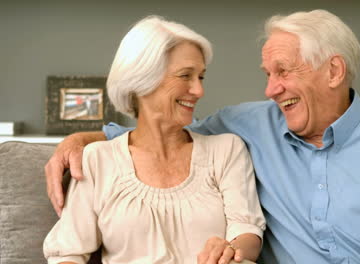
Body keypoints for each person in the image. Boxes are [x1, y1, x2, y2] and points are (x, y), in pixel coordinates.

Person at [45, 9, 360, 264]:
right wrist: (83, 138)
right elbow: (159, 132)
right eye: (268, 75)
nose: (270, 90)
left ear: (333, 72)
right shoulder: (248, 125)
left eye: (284, 72)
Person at [43, 15, 266, 264]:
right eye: (185, 76)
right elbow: (68, 253)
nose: (199, 91)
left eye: (201, 77)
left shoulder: (226, 150)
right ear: (142, 80)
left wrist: (229, 249)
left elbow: (247, 231)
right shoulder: (97, 159)